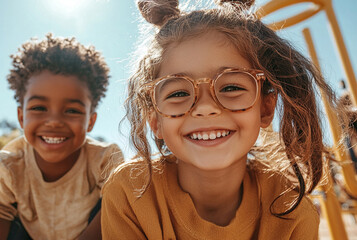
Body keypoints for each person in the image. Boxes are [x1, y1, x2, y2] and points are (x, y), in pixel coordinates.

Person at [101, 0, 342, 239]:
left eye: (231, 87)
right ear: (154, 120)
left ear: (266, 108)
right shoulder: (130, 193)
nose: (205, 107)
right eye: (178, 93)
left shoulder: (293, 214)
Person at [0, 33, 124, 240]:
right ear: (21, 117)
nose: (54, 121)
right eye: (39, 107)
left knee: (119, 198)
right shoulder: (8, 167)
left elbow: (119, 219)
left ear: (90, 121)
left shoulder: (105, 160)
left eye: (72, 110)